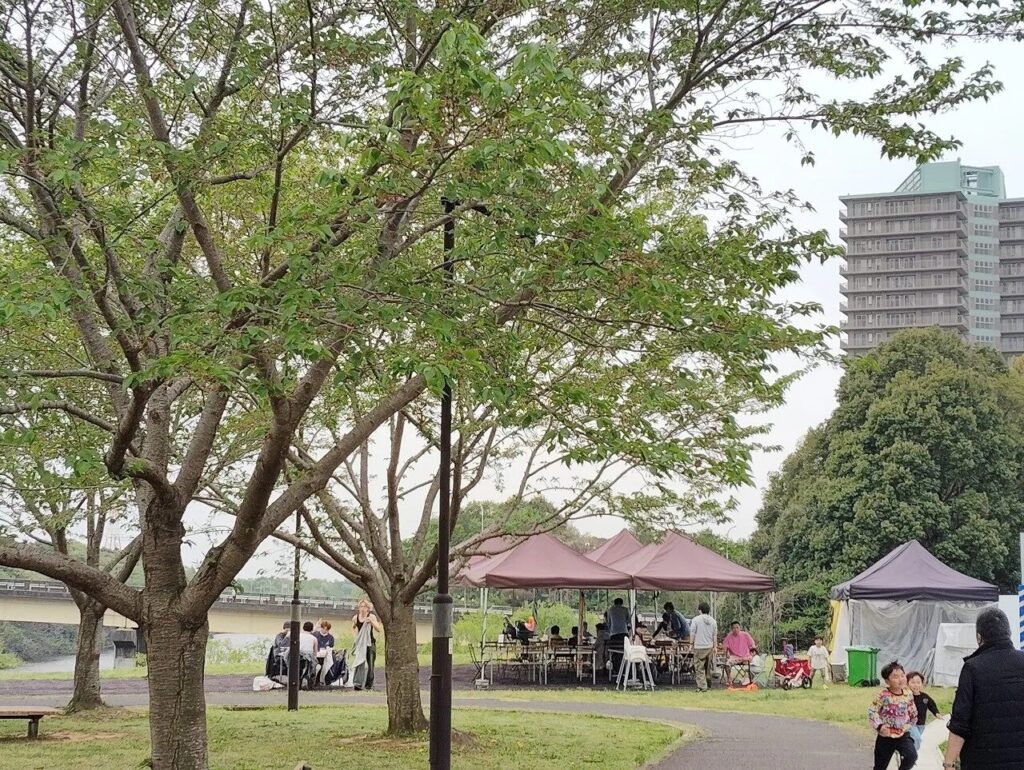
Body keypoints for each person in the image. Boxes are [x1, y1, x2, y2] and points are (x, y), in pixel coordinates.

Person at [943, 607, 1024, 770]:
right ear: (1009, 633)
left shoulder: (973, 667)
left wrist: (949, 763)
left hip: (981, 760)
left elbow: (960, 721)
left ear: (979, 637)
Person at [868, 660, 917, 770]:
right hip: (886, 736)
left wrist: (912, 722)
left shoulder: (908, 693)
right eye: (895, 677)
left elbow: (912, 710)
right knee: (880, 766)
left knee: (911, 756)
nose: (900, 679)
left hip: (903, 734)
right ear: (887, 681)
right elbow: (872, 711)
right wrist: (880, 726)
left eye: (902, 675)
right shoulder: (883, 695)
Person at [352, 599, 383, 690]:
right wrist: (355, 638)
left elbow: (378, 629)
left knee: (370, 664)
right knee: (359, 663)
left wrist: (372, 622)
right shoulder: (355, 618)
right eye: (361, 606)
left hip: (370, 643)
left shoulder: (372, 617)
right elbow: (353, 627)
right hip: (360, 644)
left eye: (365, 606)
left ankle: (368, 685)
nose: (362, 608)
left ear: (368, 608)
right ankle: (357, 684)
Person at [906, 672, 941, 752]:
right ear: (907, 683)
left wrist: (936, 713)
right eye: (913, 682)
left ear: (922, 684)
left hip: (921, 724)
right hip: (910, 723)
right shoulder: (906, 696)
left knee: (913, 740)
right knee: (917, 739)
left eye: (918, 682)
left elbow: (932, 705)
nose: (916, 685)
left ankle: (906, 752)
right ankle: (912, 756)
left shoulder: (925, 697)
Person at [690, 601, 718, 692]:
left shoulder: (695, 620)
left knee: (699, 667)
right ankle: (708, 683)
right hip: (709, 647)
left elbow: (693, 633)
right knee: (707, 667)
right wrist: (715, 647)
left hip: (699, 646)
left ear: (700, 610)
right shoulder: (713, 621)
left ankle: (702, 686)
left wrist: (691, 644)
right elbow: (714, 635)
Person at [722, 621, 757, 686]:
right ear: (731, 629)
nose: (736, 629)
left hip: (746, 656)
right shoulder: (729, 637)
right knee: (727, 663)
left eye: (737, 627)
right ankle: (729, 679)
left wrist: (753, 652)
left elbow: (752, 645)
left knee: (747, 660)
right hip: (734, 657)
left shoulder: (745, 635)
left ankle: (747, 679)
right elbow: (725, 647)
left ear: (740, 628)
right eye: (734, 628)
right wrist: (727, 654)